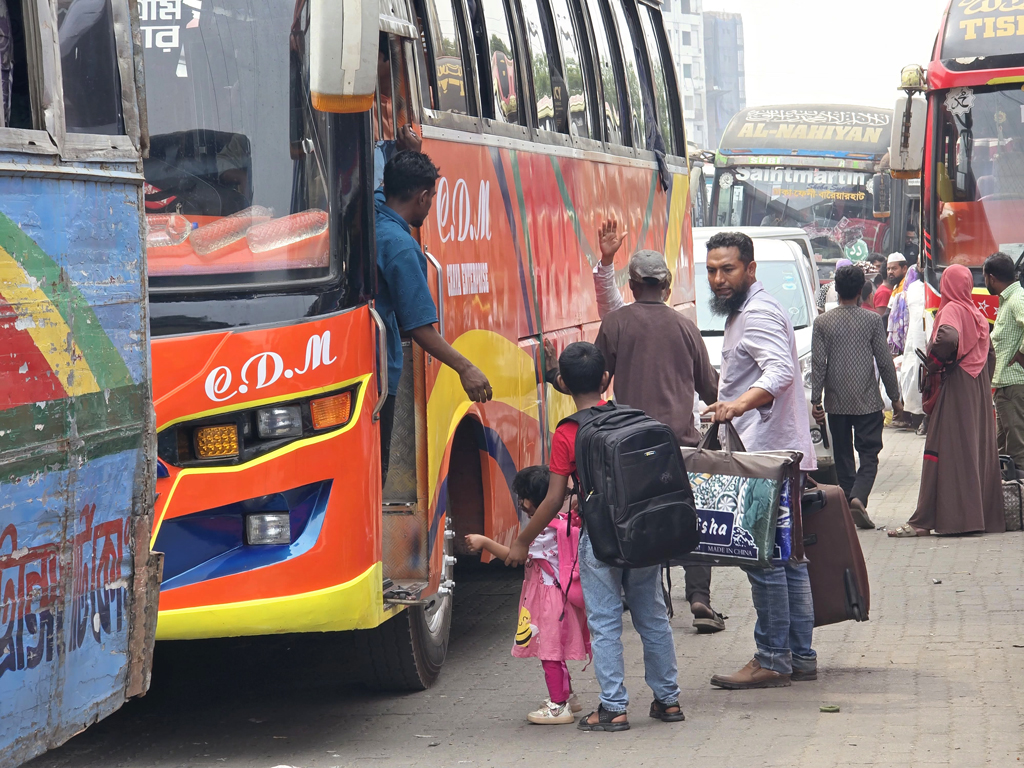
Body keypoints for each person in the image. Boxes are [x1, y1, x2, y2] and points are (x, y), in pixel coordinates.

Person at [507, 342, 684, 732]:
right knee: (653, 616)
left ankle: (614, 708)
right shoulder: (632, 417)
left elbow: (554, 499)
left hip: (601, 540)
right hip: (644, 535)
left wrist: (522, 540)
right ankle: (668, 701)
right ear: (606, 379)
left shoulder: (568, 433)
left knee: (605, 624)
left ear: (564, 384)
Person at [583, 218, 725, 634]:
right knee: (688, 517)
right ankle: (699, 597)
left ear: (632, 285)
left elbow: (597, 377)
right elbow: (710, 387)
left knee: (644, 518)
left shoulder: (617, 324)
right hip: (680, 442)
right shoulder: (685, 326)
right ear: (665, 287)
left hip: (630, 446)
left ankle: (654, 600)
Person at [701, 231, 818, 690]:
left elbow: (780, 371)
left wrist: (737, 406)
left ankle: (773, 657)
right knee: (788, 558)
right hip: (774, 456)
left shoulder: (760, 312)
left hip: (765, 459)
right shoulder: (744, 312)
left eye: (727, 269)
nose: (718, 279)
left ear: (750, 269)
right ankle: (798, 656)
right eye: (712, 270)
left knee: (765, 557)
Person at [375, 151, 492, 483]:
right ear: (422, 196)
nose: (430, 207)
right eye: (432, 199)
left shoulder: (370, 216)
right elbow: (419, 328)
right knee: (376, 479)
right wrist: (465, 367)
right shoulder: (400, 246)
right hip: (380, 379)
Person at [465, 465, 590, 725]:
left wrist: (485, 542)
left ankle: (558, 706)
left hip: (550, 602)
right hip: (559, 598)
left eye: (524, 496)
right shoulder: (563, 522)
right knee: (554, 651)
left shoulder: (544, 532)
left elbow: (514, 557)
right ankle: (568, 697)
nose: (520, 502)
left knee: (549, 653)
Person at [889, 265, 1004, 537]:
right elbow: (990, 354)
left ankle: (939, 520)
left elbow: (949, 337)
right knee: (975, 447)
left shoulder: (952, 309)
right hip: (976, 387)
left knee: (945, 445)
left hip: (956, 386)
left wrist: (935, 361)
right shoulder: (976, 313)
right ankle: (980, 517)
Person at [811, 265, 902, 529]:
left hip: (836, 402)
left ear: (836, 290)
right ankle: (858, 498)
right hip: (867, 402)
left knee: (843, 456)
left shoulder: (823, 322)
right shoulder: (872, 320)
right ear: (862, 291)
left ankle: (850, 502)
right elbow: (885, 362)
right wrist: (895, 398)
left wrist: (816, 400)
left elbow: (818, 364)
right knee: (869, 453)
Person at [984, 252, 1024, 471]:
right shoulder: (1008, 300)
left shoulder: (1017, 298)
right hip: (1005, 386)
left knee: (1017, 450)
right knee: (1003, 449)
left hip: (1015, 385)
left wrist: (1021, 354)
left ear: (991, 278)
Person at [899, 261, 934, 436]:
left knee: (921, 375)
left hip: (926, 336)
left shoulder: (932, 288)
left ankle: (923, 419)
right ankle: (919, 418)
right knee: (915, 374)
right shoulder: (914, 288)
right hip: (916, 336)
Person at [888, 264, 919, 356]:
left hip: (905, 341)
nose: (890, 271)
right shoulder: (924, 294)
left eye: (894, 268)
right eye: (888, 269)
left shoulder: (901, 296)